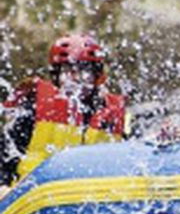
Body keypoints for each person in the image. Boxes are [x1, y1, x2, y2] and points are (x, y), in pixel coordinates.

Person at [0, 34, 128, 189]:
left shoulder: (114, 114)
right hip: (33, 198)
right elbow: (6, 151)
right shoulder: (33, 107)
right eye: (67, 70)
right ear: (56, 76)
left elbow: (136, 151)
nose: (75, 78)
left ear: (96, 76)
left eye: (84, 71)